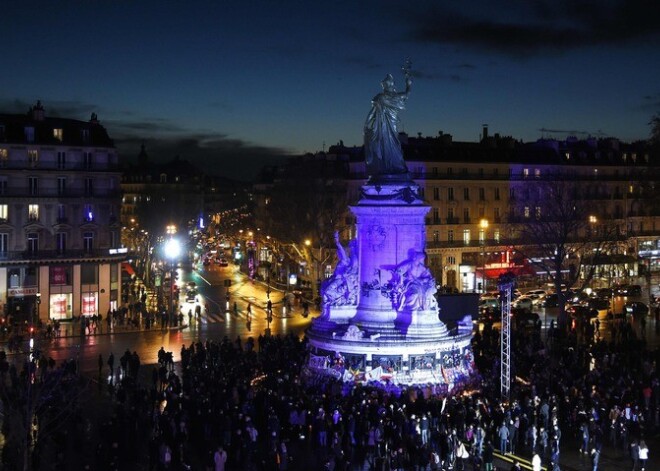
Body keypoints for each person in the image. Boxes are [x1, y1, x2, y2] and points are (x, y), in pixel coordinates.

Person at [363, 60, 412, 177]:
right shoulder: (383, 98)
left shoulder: (381, 98)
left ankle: (391, 167)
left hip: (386, 126)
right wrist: (408, 80)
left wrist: (366, 125)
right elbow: (407, 93)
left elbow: (372, 113)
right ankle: (392, 168)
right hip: (384, 127)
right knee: (390, 146)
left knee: (390, 146)